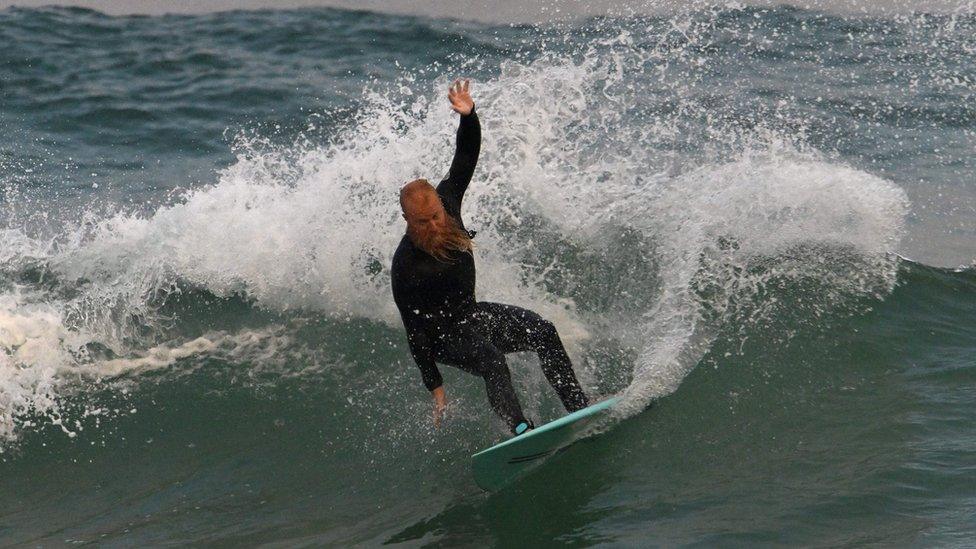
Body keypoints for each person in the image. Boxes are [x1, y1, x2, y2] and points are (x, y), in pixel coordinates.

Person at [391, 79, 589, 436]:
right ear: (407, 221)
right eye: (424, 221)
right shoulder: (406, 265)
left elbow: (465, 157)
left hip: (470, 315)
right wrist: (435, 387)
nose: (435, 224)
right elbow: (414, 331)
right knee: (492, 361)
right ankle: (519, 430)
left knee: (543, 331)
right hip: (440, 336)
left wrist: (469, 118)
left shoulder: (447, 202)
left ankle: (579, 408)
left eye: (436, 214)